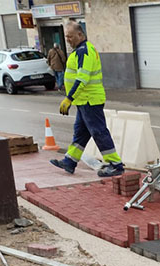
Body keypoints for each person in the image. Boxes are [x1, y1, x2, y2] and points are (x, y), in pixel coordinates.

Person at [50, 20, 124, 178]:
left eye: (70, 36)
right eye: (66, 36)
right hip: (84, 100)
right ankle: (69, 161)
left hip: (90, 100)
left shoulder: (84, 51)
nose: (68, 39)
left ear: (80, 34)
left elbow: (82, 79)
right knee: (81, 133)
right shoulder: (80, 50)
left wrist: (69, 98)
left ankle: (116, 164)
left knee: (98, 131)